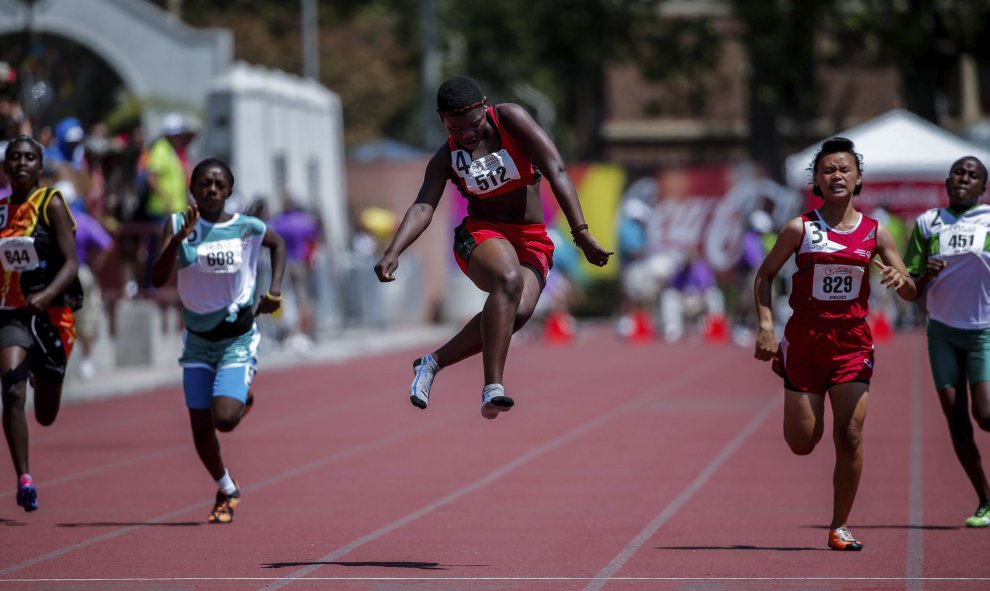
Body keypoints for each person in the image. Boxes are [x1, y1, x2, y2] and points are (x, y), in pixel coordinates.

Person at [374, 75, 612, 419]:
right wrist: (392, 252)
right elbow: (423, 207)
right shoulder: (445, 158)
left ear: (485, 107)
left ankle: (431, 363)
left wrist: (581, 232)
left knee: (516, 314)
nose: (467, 135)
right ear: (443, 121)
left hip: (531, 237)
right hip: (482, 233)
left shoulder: (510, 119)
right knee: (509, 280)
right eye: (456, 129)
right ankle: (492, 388)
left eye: (473, 124)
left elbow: (556, 168)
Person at [753, 137, 916, 550]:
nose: (837, 175)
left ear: (858, 178)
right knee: (803, 443)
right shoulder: (799, 229)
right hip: (805, 345)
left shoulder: (876, 233)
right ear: (817, 182)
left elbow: (911, 290)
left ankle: (839, 526)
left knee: (850, 434)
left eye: (845, 169)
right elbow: (764, 275)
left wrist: (904, 283)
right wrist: (767, 326)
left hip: (852, 345)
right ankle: (799, 397)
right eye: (828, 170)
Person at [151, 157, 286, 524]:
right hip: (196, 339)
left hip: (235, 338)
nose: (211, 190)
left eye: (219, 184)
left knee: (224, 419)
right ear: (192, 189)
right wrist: (177, 240)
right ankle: (227, 487)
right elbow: (158, 277)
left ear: (228, 191)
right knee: (200, 427)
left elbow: (278, 245)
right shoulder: (178, 224)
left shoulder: (247, 228)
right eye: (204, 184)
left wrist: (273, 290)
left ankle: (240, 396)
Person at [902, 156, 990, 528]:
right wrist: (924, 275)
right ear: (947, 180)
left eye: (972, 175)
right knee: (957, 422)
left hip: (983, 330)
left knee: (985, 415)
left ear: (982, 188)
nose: (964, 178)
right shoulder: (927, 223)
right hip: (942, 332)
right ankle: (985, 500)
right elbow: (908, 289)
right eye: (958, 172)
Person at [0, 136, 82, 512]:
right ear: (6, 165)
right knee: (13, 392)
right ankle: (24, 478)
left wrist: (46, 294)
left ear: (39, 165)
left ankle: (41, 368)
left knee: (46, 415)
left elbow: (71, 264)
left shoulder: (52, 204)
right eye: (14, 157)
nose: (20, 163)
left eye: (28, 157)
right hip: (12, 314)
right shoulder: (0, 209)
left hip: (51, 316)